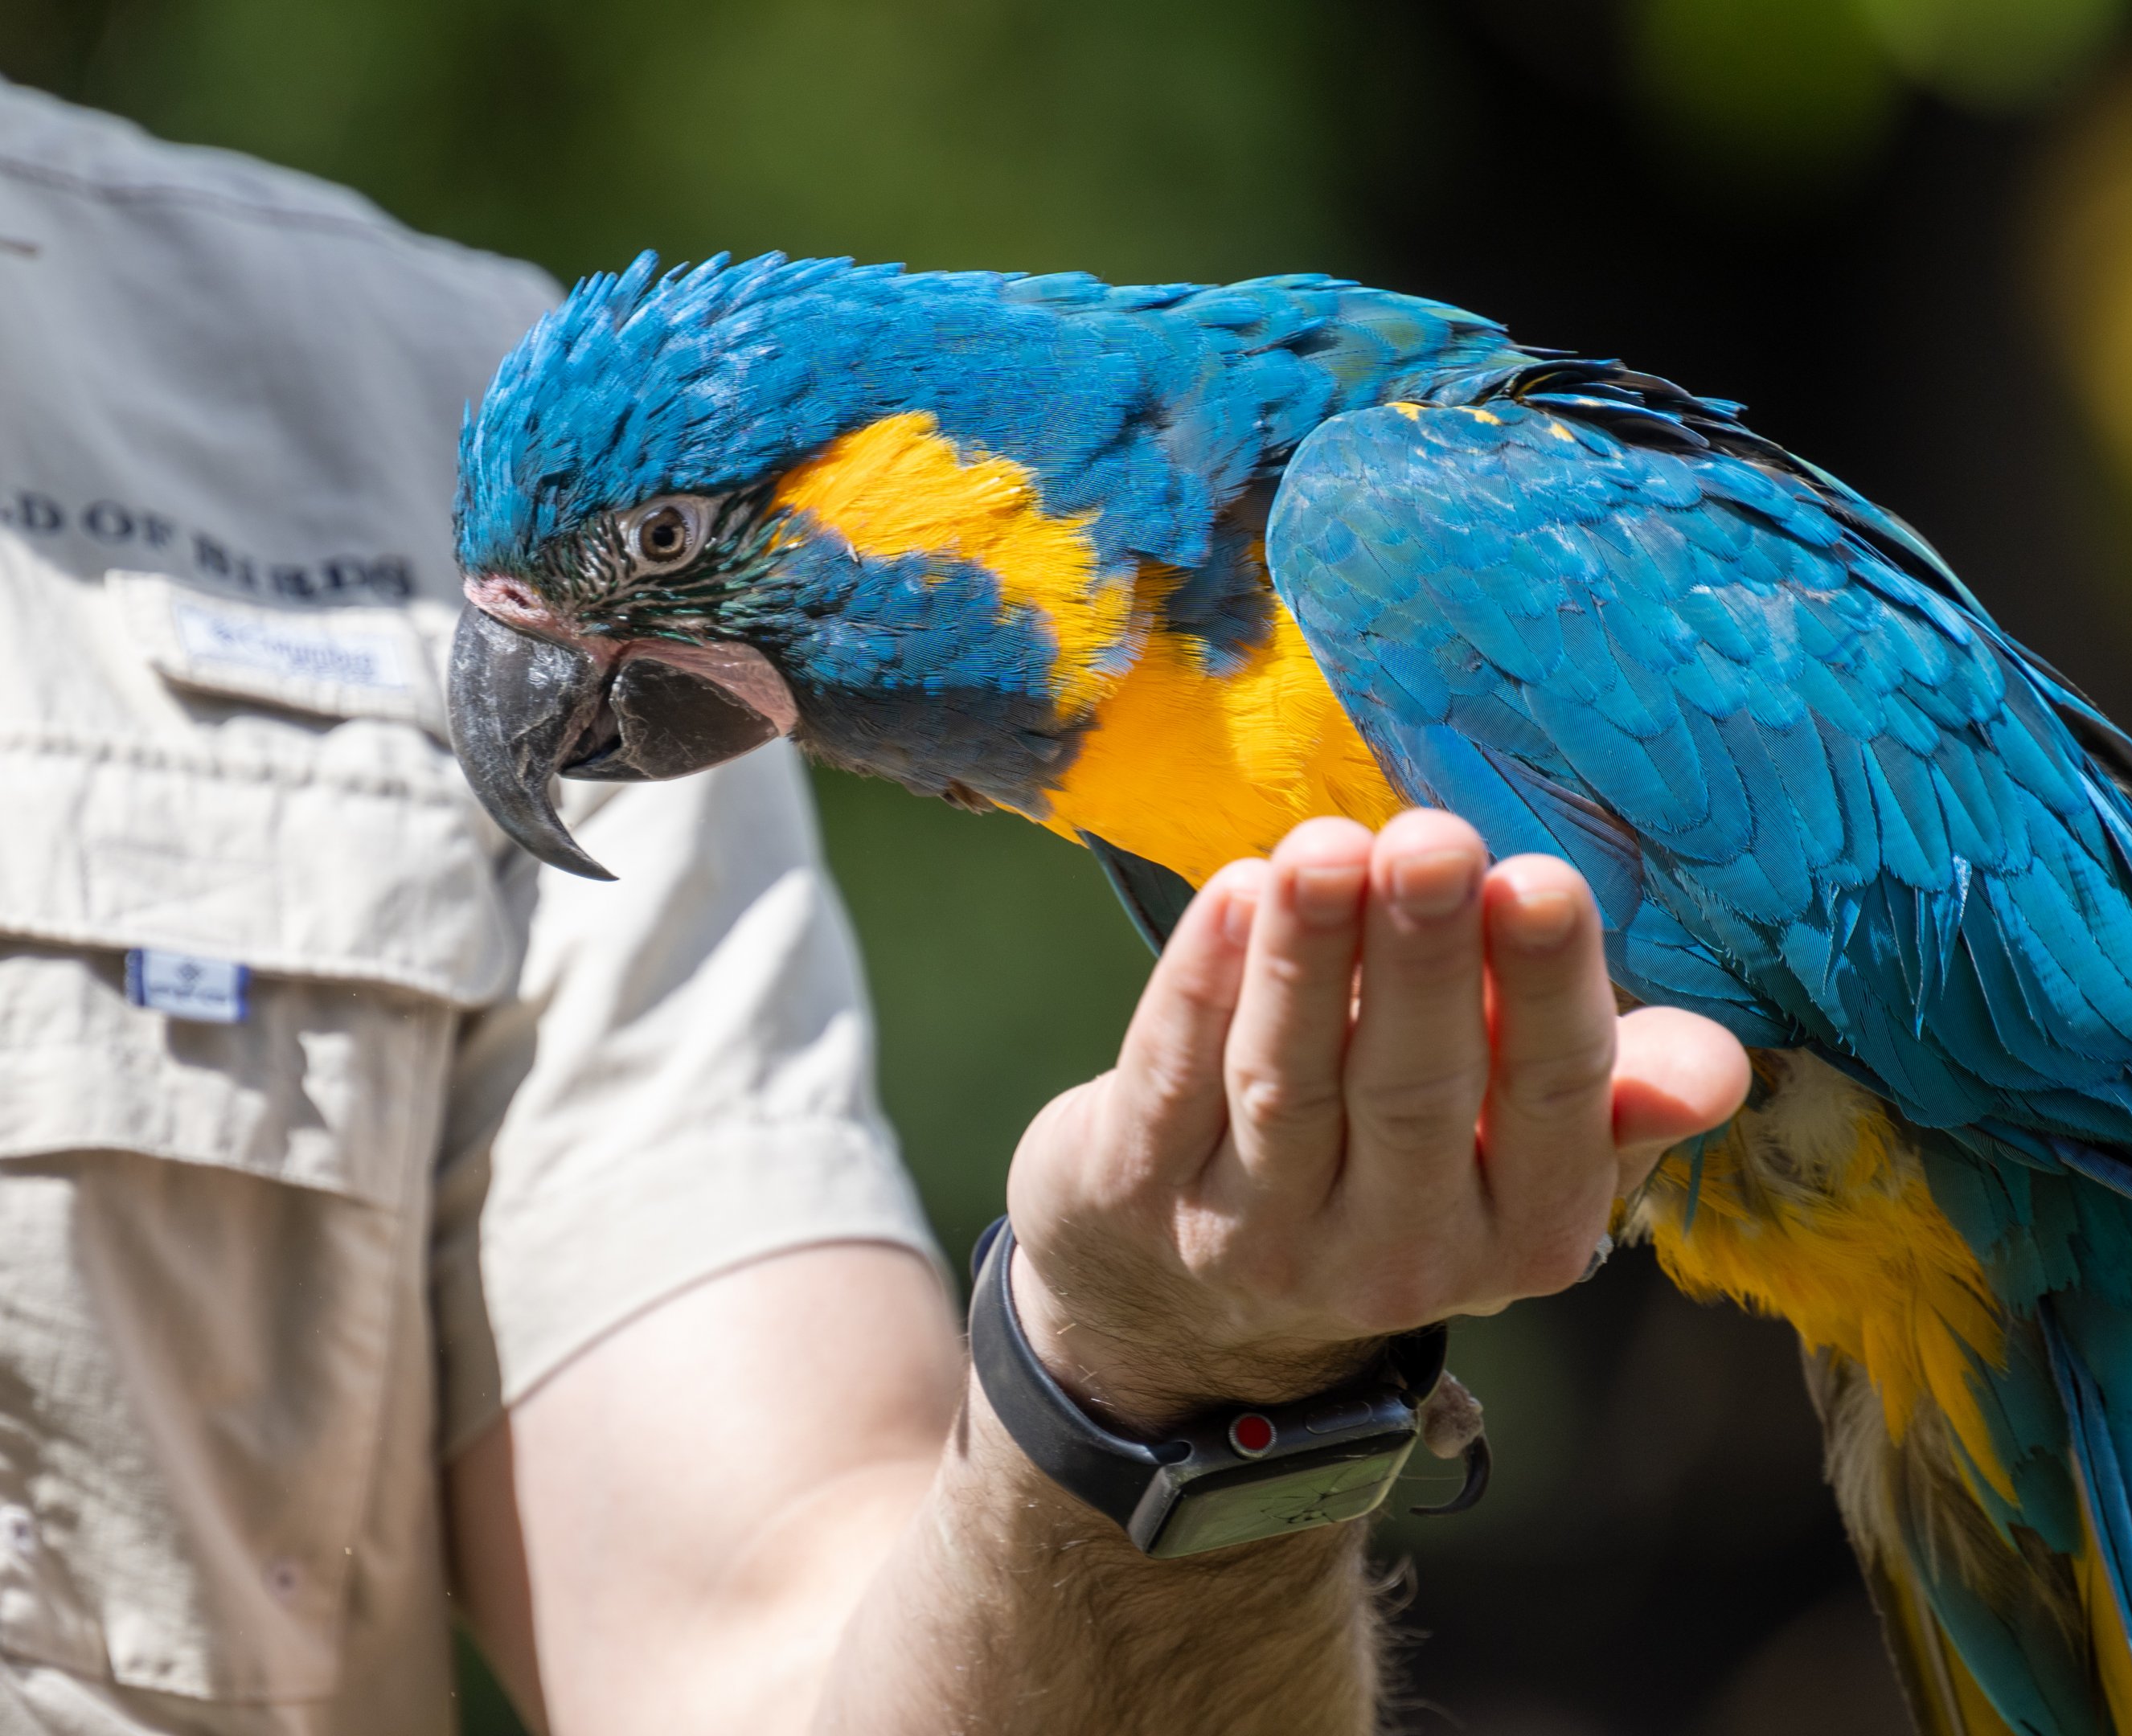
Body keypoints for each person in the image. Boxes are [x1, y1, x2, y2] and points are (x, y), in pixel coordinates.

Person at [0, 76, 1749, 1736]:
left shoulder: (386, 352)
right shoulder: (1146, 771)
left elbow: (759, 1628)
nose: (561, 668)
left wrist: (1162, 1392)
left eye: (672, 547)